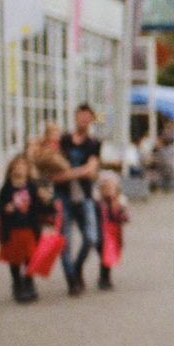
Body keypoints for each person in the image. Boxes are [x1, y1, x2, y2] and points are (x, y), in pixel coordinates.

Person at [51, 105, 101, 295]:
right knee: (64, 240)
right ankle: (72, 279)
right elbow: (52, 169)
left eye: (87, 117)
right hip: (62, 196)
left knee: (91, 237)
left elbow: (92, 170)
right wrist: (82, 171)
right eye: (81, 116)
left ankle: (77, 266)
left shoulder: (93, 143)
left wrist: (66, 174)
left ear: (91, 119)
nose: (83, 120)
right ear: (75, 117)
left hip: (84, 196)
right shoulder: (64, 140)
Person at [0, 153, 52, 303]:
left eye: (22, 166)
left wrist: (46, 200)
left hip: (29, 229)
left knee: (30, 258)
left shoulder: (31, 187)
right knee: (14, 259)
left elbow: (40, 209)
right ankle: (17, 284)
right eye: (16, 166)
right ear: (11, 170)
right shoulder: (7, 188)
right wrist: (5, 209)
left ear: (28, 170)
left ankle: (29, 282)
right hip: (12, 229)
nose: (19, 169)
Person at [96, 170, 129, 291]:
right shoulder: (98, 203)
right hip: (102, 234)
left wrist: (121, 210)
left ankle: (105, 277)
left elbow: (125, 218)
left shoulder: (120, 201)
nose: (108, 190)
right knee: (104, 256)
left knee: (109, 256)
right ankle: (104, 278)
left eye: (111, 187)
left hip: (115, 233)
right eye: (105, 187)